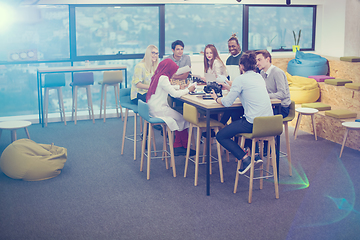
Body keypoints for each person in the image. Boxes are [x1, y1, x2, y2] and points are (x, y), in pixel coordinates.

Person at [210, 51, 273, 175]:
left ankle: (245, 159)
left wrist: (216, 98)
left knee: (221, 135)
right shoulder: (259, 77)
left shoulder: (240, 79)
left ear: (241, 66)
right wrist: (230, 88)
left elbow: (227, 103)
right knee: (243, 120)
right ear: (254, 65)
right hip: (269, 123)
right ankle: (255, 155)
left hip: (253, 124)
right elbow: (246, 90)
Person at [146, 58, 196, 156]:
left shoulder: (158, 75)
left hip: (152, 108)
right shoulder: (164, 78)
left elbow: (165, 87)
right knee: (183, 118)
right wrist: (188, 90)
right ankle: (180, 146)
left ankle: (178, 144)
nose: (174, 73)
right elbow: (175, 95)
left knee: (179, 118)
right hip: (159, 109)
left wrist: (179, 87)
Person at [255, 50, 291, 118]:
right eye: (256, 61)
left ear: (267, 59)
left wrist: (265, 96)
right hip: (270, 105)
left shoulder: (277, 72)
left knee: (256, 116)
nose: (257, 63)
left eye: (259, 60)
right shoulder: (262, 73)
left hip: (281, 108)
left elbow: (282, 94)